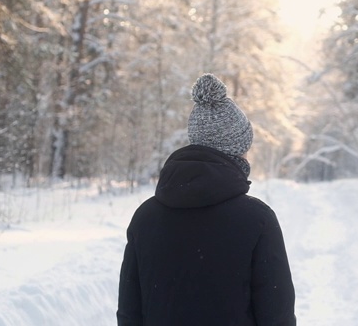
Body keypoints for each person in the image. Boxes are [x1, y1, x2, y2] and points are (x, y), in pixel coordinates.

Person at [117, 74, 296, 325]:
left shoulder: (145, 217)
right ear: (236, 152)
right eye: (246, 149)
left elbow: (129, 312)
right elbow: (277, 316)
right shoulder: (257, 219)